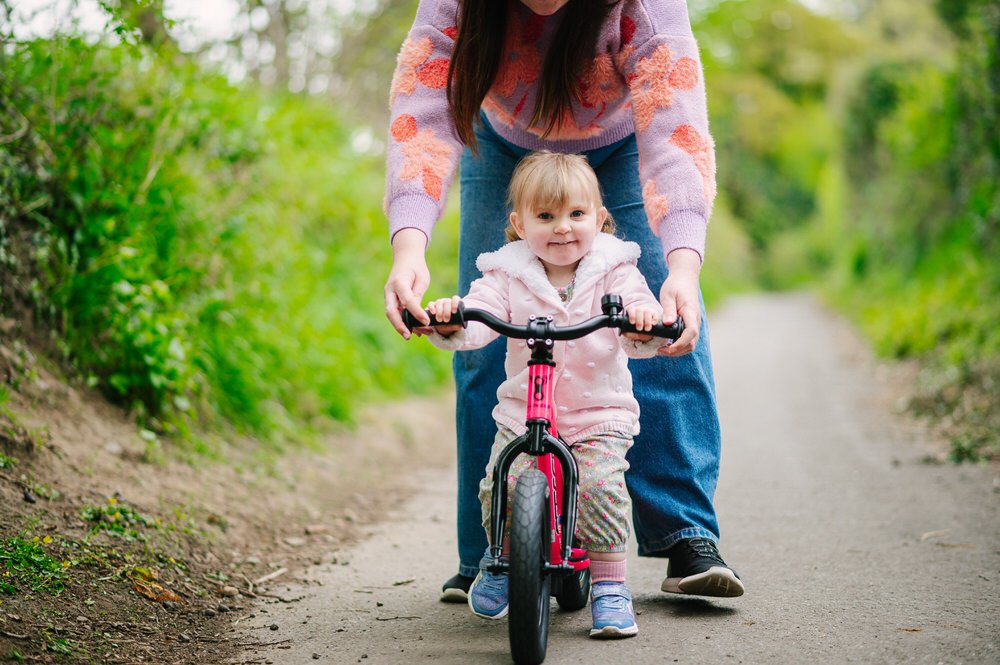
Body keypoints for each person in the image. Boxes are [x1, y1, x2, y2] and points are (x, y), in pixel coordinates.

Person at [383, 0, 745, 606]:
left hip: (624, 143)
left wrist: (683, 265)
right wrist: (408, 247)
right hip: (501, 145)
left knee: (662, 318)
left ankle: (685, 534)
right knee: (483, 321)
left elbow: (675, 125)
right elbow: (421, 111)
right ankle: (487, 553)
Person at [419, 151, 662, 637]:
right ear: (519, 223)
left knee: (600, 486)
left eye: (576, 214)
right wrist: (453, 315)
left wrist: (642, 320)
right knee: (500, 481)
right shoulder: (507, 274)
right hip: (523, 412)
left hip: (598, 412)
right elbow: (478, 313)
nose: (563, 228)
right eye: (546, 216)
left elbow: (640, 310)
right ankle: (503, 561)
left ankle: (611, 587)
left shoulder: (615, 269)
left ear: (600, 218)